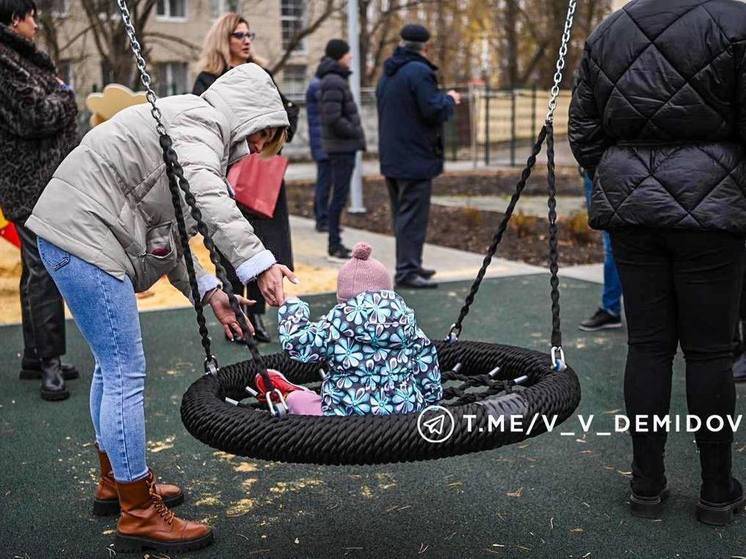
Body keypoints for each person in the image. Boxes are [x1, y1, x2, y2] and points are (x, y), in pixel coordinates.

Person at [27, 63, 297, 553]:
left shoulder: (187, 122)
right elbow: (211, 201)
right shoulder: (199, 124)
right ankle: (139, 513)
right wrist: (260, 263)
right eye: (262, 136)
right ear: (247, 116)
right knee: (125, 371)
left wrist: (212, 290)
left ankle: (118, 483)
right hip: (85, 237)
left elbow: (167, 235)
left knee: (112, 372)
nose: (258, 149)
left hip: (72, 232)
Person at [569, 0, 746, 526]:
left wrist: (629, 178)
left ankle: (647, 485)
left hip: (634, 211)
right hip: (713, 207)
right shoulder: (734, 23)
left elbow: (584, 130)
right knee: (710, 353)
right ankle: (716, 491)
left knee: (647, 347)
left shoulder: (609, 31)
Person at [193, 13, 299, 344]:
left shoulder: (260, 76)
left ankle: (257, 315)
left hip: (262, 177)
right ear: (223, 39)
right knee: (230, 238)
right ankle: (236, 312)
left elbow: (283, 119)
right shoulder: (209, 80)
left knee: (266, 239)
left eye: (248, 34)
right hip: (229, 176)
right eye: (238, 35)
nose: (246, 40)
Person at [255, 242, 442, 416]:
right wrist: (430, 403)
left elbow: (298, 345)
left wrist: (291, 306)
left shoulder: (335, 326)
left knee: (298, 401)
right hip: (403, 415)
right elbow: (427, 365)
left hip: (343, 420)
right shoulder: (407, 323)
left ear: (343, 300)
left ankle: (293, 394)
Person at [0, 0, 80, 401]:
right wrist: (67, 98)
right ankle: (49, 362)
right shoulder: (6, 63)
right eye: (31, 15)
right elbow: (34, 116)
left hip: (38, 181)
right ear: (15, 19)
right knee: (45, 269)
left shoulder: (21, 59)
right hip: (29, 184)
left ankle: (36, 355)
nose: (37, 23)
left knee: (36, 270)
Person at [376, 23, 461, 289]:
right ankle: (407, 270)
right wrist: (449, 99)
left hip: (393, 157)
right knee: (412, 216)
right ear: (426, 47)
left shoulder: (388, 73)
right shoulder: (420, 72)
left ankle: (410, 264)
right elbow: (432, 110)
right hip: (415, 157)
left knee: (402, 216)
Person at [317, 38, 366, 260]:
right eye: (347, 53)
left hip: (342, 147)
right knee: (339, 197)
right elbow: (333, 117)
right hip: (342, 147)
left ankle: (335, 242)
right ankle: (334, 245)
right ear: (339, 56)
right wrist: (355, 131)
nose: (351, 56)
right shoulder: (334, 81)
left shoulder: (334, 79)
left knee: (338, 195)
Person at [579, 170, 622, 331]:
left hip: (609, 170)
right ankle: (611, 307)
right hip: (597, 170)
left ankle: (611, 308)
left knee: (613, 243)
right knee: (610, 243)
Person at [305, 60, 331, 233]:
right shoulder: (318, 87)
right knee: (324, 182)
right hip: (323, 142)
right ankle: (321, 219)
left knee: (325, 181)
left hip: (321, 141)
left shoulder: (315, 85)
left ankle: (321, 217)